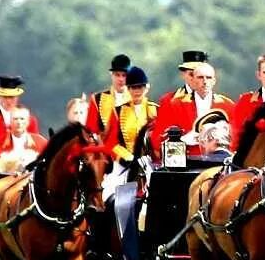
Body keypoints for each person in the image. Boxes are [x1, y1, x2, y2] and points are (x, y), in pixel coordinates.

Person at [152, 62, 235, 157]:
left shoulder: (228, 105)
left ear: (214, 81)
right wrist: (182, 141)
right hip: (186, 161)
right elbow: (158, 141)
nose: (205, 81)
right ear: (192, 80)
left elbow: (236, 139)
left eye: (209, 78)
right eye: (200, 77)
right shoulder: (175, 105)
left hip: (219, 161)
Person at [101, 66, 158, 197]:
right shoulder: (118, 111)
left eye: (140, 87)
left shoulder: (156, 110)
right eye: (133, 87)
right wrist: (128, 157)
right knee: (107, 192)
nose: (137, 91)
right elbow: (111, 142)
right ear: (128, 88)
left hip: (153, 162)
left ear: (147, 87)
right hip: (126, 163)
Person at [0, 106, 47, 174]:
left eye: (22, 119)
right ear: (10, 121)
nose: (19, 122)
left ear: (28, 122)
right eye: (15, 119)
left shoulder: (41, 142)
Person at [86, 54, 131, 134]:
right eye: (117, 75)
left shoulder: (136, 99)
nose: (121, 79)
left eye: (124, 75)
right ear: (111, 75)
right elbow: (90, 131)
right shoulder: (97, 99)